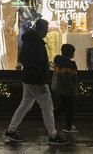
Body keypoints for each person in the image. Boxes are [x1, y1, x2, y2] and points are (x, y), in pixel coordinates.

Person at [4, 18, 69, 146]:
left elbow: (25, 60)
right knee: (47, 107)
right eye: (46, 29)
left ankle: (11, 131)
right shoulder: (37, 44)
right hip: (36, 81)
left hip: (27, 79)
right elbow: (37, 65)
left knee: (24, 106)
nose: (47, 32)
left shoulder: (28, 41)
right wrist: (42, 83)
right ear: (41, 29)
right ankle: (53, 136)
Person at [15, 0, 43, 67]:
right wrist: (30, 18)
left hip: (35, 20)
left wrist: (37, 17)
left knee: (35, 42)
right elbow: (21, 5)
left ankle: (33, 63)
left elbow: (40, 4)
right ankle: (20, 63)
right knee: (22, 42)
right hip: (24, 21)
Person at [52, 43, 79, 133]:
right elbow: (67, 78)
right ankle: (68, 126)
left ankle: (51, 119)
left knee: (64, 106)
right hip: (66, 90)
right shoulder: (67, 64)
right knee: (70, 107)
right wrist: (73, 90)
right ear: (70, 53)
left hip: (59, 89)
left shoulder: (59, 62)